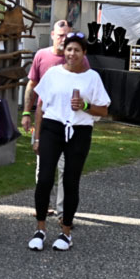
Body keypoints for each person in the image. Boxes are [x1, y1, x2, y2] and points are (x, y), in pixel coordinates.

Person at [28, 33, 110, 252]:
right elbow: (41, 106)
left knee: (70, 181)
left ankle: (65, 232)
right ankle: (40, 229)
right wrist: (37, 136)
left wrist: (84, 106)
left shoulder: (92, 77)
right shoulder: (53, 73)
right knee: (44, 178)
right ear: (64, 51)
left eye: (77, 50)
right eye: (69, 49)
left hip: (79, 130)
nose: (72, 54)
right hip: (52, 128)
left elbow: (103, 110)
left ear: (84, 54)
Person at [21, 20, 85, 219]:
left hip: (70, 121)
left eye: (67, 35)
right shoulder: (41, 55)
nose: (63, 40)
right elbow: (32, 84)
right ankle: (43, 205)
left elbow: (88, 82)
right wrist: (26, 112)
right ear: (52, 35)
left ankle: (62, 210)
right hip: (45, 118)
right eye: (60, 35)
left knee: (65, 169)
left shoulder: (80, 60)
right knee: (43, 168)